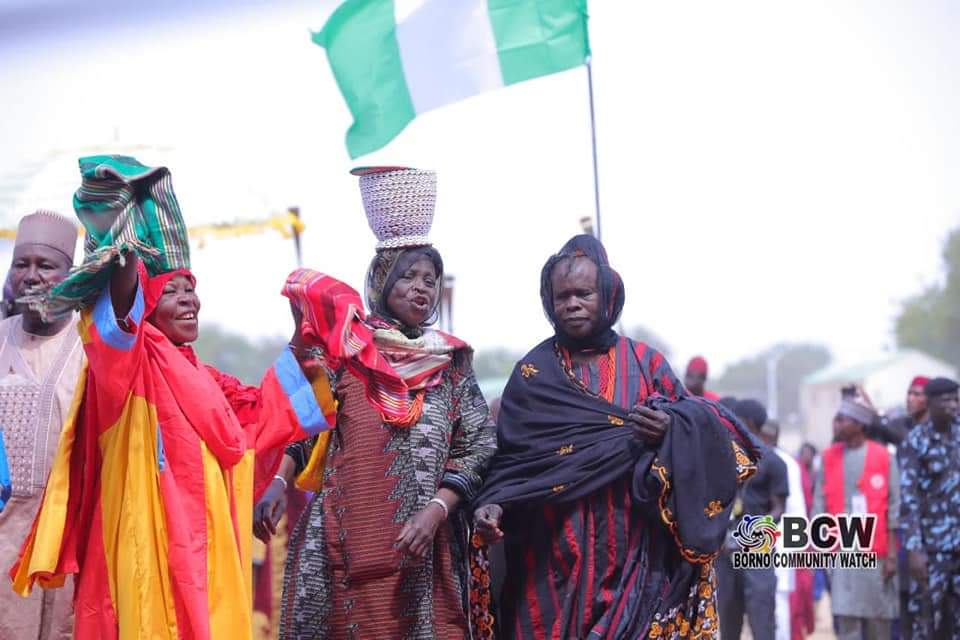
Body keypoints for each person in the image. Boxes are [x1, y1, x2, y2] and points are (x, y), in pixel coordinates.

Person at [9, 156, 327, 640]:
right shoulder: (125, 367)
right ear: (145, 304)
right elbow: (118, 308)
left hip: (207, 562)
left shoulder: (209, 380)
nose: (190, 299)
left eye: (192, 290)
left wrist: (309, 337)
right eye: (172, 290)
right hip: (143, 562)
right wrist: (123, 237)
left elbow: (264, 416)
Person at [471, 234, 760, 639]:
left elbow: (709, 431)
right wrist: (494, 506)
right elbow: (512, 465)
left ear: (607, 294)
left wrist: (671, 429)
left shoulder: (645, 364)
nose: (572, 304)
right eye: (562, 296)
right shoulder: (532, 375)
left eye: (583, 293)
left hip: (635, 557)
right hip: (553, 557)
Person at [258, 167, 497, 639]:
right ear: (382, 281)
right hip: (344, 546)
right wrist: (276, 481)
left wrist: (436, 511)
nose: (422, 287)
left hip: (428, 551)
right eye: (409, 275)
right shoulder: (347, 351)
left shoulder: (451, 361)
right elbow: (310, 426)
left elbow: (478, 446)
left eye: (431, 278)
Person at [0, 210, 82, 640]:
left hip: (63, 549)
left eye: (45, 266)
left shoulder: (92, 348)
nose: (31, 276)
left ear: (70, 274)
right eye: (21, 264)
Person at [813, 392, 900, 640]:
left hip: (877, 553)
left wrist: (892, 555)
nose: (836, 424)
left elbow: (894, 508)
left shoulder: (884, 457)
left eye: (842, 419)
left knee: (877, 623)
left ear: (860, 425)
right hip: (841, 552)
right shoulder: (828, 457)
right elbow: (819, 504)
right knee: (846, 620)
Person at [717, 398, 789, 640]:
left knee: (762, 625)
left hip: (758, 555)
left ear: (746, 422)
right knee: (727, 623)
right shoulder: (725, 456)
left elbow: (778, 509)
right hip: (725, 554)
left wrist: (748, 538)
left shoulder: (774, 462)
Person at [899, 377, 960, 640]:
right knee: (927, 621)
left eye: (956, 399)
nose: (953, 405)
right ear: (931, 403)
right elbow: (908, 498)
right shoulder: (915, 441)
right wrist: (914, 549)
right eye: (946, 400)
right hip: (931, 549)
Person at [869, 377, 930, 447]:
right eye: (909, 393)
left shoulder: (938, 429)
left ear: (929, 399)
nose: (910, 398)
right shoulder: (900, 424)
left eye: (917, 394)